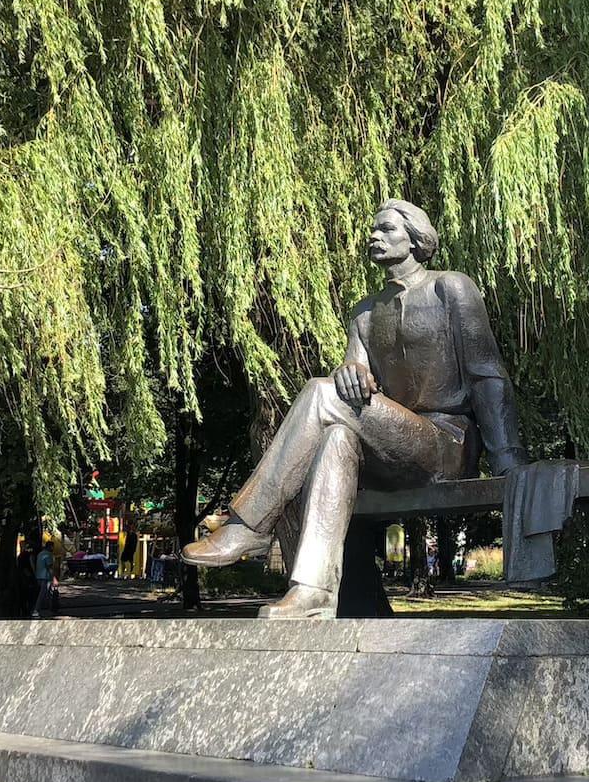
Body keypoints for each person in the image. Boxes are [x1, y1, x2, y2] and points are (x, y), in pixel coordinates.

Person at [182, 199, 525, 617]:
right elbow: (353, 382)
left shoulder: (450, 288)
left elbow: (487, 375)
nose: (374, 236)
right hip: (388, 452)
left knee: (320, 392)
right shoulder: (363, 314)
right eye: (373, 229)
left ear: (416, 239)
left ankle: (250, 525)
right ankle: (313, 592)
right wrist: (351, 372)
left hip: (446, 444)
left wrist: (509, 461)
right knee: (337, 435)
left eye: (387, 230)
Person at [32, 538, 57, 617]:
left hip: (38, 576)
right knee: (42, 594)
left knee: (48, 594)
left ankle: (51, 610)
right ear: (50, 547)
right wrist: (54, 578)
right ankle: (36, 610)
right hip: (45, 577)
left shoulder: (40, 554)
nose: (53, 549)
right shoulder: (48, 554)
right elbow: (49, 567)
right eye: (52, 547)